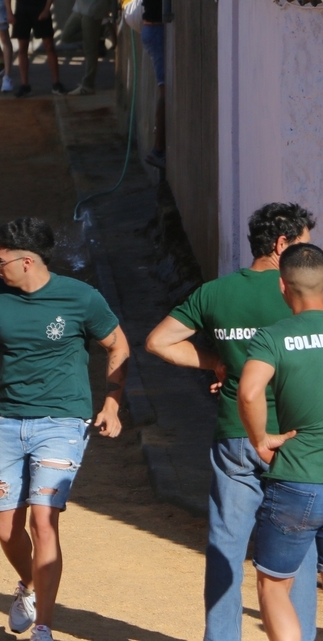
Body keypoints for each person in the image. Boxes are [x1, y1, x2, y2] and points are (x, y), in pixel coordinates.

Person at [146, 203, 316, 641]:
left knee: (226, 543)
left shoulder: (215, 292)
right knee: (294, 552)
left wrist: (217, 363)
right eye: (304, 242)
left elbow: (159, 341)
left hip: (237, 435)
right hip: (296, 441)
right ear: (282, 244)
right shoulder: (306, 294)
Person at [0, 217, 130, 641]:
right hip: (3, 421)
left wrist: (112, 402)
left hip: (63, 422)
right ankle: (30, 584)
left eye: (0, 260)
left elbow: (118, 345)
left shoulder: (81, 298)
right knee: (6, 528)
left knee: (43, 520)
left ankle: (44, 627)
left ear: (27, 261)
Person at [239, 242, 323, 641]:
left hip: (297, 478)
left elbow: (249, 392)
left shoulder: (273, 337)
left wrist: (260, 439)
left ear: (283, 286)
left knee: (274, 586)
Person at [133, 0, 167, 169]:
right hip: (155, 30)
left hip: (154, 28)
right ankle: (157, 150)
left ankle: (158, 149)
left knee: (164, 89)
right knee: (164, 91)